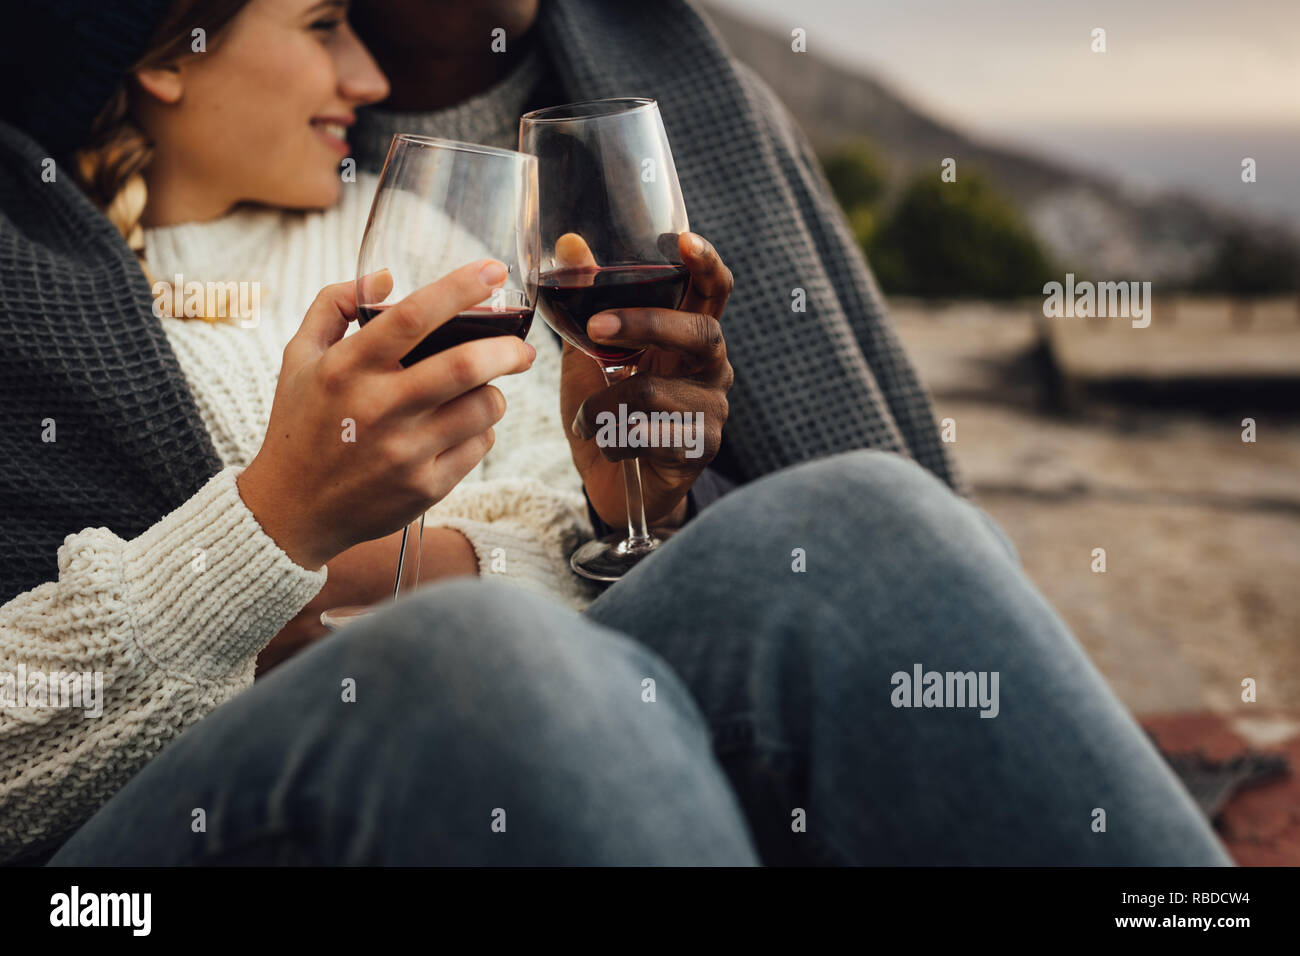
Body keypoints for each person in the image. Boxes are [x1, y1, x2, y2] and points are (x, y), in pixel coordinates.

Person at [0, 0, 1232, 866]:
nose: (367, 82)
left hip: (504, 705)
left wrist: (614, 512)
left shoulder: (399, 240)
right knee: (479, 647)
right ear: (172, 49)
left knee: (864, 515)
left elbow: (571, 587)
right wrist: (275, 527)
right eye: (324, 25)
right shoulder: (29, 291)